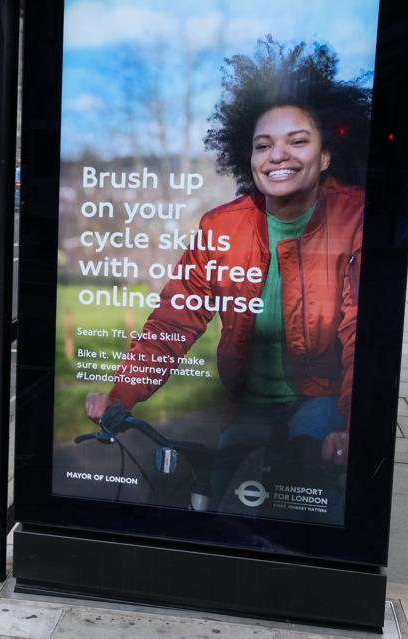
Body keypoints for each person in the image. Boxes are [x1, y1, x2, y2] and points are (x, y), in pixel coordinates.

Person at [84, 40, 370, 505]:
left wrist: (354, 425)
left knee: (305, 500)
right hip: (249, 402)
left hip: (321, 398)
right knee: (217, 498)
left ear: (325, 156)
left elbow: (361, 331)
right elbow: (176, 318)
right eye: (264, 144)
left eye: (298, 141)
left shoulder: (355, 217)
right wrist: (121, 396)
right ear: (249, 158)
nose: (278, 155)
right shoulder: (222, 225)